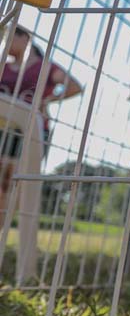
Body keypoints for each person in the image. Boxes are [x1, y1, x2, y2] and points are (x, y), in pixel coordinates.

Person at [1, 25, 82, 218]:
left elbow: (73, 86)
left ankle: (4, 226)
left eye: (9, 37)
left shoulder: (45, 67)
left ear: (25, 38)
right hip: (2, 129)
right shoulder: (3, 66)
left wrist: (47, 100)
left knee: (14, 180)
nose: (5, 43)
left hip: (30, 131)